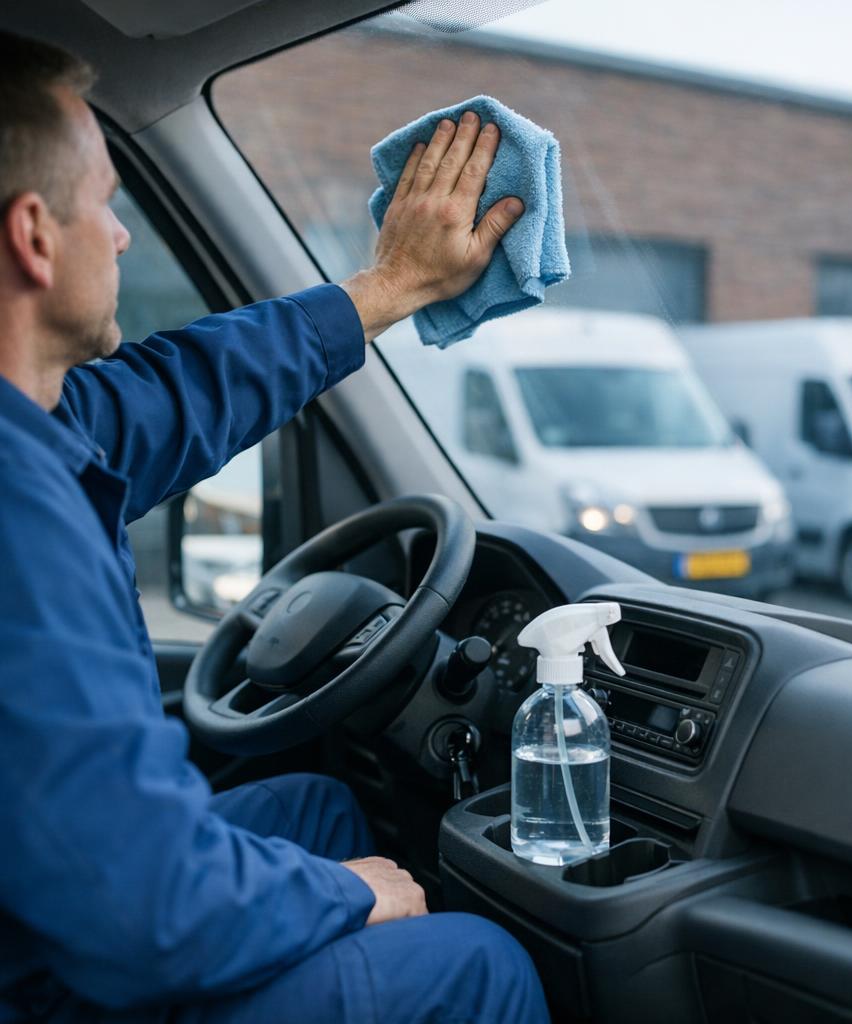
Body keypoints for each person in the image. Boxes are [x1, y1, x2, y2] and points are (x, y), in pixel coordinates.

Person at [0, 30, 549, 1024]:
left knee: (319, 810)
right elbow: (143, 912)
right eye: (108, 206)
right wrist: (349, 895)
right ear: (34, 236)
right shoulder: (14, 518)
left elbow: (186, 388)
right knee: (477, 962)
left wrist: (388, 288)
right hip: (43, 983)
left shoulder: (43, 425)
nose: (121, 237)